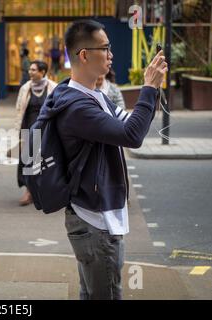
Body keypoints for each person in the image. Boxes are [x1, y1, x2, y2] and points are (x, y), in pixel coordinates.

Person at [38, 20, 167, 299]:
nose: (111, 54)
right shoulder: (78, 107)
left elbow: (131, 125)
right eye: (105, 48)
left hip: (94, 216)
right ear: (84, 55)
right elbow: (132, 136)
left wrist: (152, 89)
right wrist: (148, 87)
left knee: (92, 293)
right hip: (95, 221)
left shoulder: (94, 95)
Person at [15, 60, 57, 206]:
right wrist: (19, 132)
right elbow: (19, 110)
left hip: (47, 130)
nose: (30, 72)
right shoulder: (25, 88)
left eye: (34, 70)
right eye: (30, 70)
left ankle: (43, 191)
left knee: (46, 161)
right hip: (28, 129)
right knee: (28, 161)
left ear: (42, 72)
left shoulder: (53, 87)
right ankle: (29, 191)